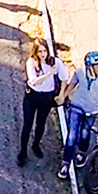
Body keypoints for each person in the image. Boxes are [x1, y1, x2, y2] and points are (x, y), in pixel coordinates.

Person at [55, 50, 98, 181]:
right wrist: (64, 97)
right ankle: (66, 163)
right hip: (76, 107)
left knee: (85, 133)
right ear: (90, 66)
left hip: (91, 111)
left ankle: (81, 153)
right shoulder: (80, 72)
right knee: (72, 136)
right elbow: (72, 84)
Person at [17, 38, 65, 167]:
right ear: (35, 52)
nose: (42, 54)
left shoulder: (55, 62)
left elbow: (64, 78)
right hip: (32, 96)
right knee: (27, 125)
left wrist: (61, 94)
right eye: (40, 52)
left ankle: (36, 144)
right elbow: (33, 81)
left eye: (44, 51)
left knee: (41, 122)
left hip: (46, 97)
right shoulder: (31, 63)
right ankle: (23, 152)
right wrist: (49, 75)